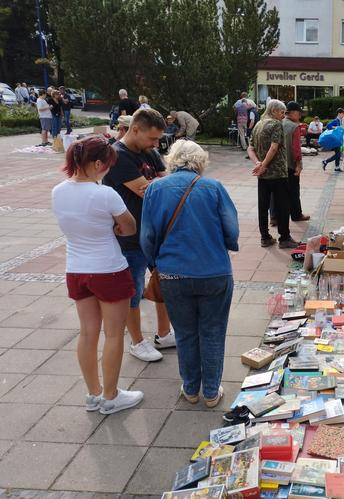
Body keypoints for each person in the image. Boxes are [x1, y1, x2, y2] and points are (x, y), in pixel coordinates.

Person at [141, 140, 239, 408]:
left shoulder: (155, 189)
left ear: (172, 160)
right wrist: (225, 245)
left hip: (173, 273)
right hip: (213, 271)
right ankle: (210, 392)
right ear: (200, 162)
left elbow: (147, 236)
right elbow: (232, 231)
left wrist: (155, 263)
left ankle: (191, 387)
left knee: (184, 333)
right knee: (213, 331)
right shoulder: (213, 188)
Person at [52, 136, 144, 414]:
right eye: (107, 165)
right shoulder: (105, 194)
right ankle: (111, 395)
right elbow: (130, 227)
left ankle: (93, 393)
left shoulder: (58, 191)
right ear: (97, 163)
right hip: (108, 268)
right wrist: (114, 229)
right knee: (114, 334)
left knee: (87, 333)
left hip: (76, 269)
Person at [102, 109, 175, 362]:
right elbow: (152, 191)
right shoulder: (118, 156)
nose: (156, 145)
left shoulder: (149, 152)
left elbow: (166, 184)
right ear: (135, 129)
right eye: (152, 139)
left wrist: (159, 183)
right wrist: (160, 184)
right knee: (132, 291)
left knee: (162, 283)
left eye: (158, 140)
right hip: (131, 237)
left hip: (156, 233)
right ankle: (137, 342)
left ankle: (164, 334)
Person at [247, 99, 299, 249]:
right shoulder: (276, 124)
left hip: (263, 175)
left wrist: (258, 163)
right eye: (282, 112)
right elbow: (274, 147)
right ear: (274, 111)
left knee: (263, 206)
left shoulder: (258, 124)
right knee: (283, 206)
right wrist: (263, 165)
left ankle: (265, 237)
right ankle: (284, 238)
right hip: (277, 173)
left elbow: (250, 148)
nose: (283, 116)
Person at [269, 101, 310, 225]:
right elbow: (296, 148)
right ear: (293, 113)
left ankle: (274, 217)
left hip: (276, 163)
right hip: (290, 164)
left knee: (274, 191)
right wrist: (298, 164)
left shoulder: (278, 123)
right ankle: (296, 214)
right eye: (299, 113)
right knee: (293, 190)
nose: (300, 116)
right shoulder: (294, 127)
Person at [321, 108, 344, 172]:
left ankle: (337, 167)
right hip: (334, 140)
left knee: (338, 153)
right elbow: (328, 126)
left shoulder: (339, 121)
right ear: (339, 113)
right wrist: (335, 128)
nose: (343, 115)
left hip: (336, 140)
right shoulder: (336, 120)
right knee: (338, 154)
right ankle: (325, 161)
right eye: (343, 114)